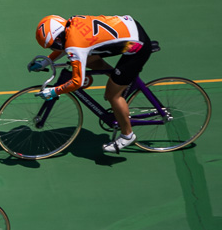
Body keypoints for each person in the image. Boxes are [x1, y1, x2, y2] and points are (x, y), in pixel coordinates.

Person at [30, 15, 154, 154]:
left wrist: (54, 91)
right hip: (130, 29)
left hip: (137, 46)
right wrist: (46, 61)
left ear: (58, 38)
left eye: (53, 45)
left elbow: (77, 82)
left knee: (112, 95)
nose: (54, 48)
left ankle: (127, 135)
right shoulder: (71, 24)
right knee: (88, 61)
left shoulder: (75, 45)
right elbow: (67, 46)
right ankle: (118, 79)